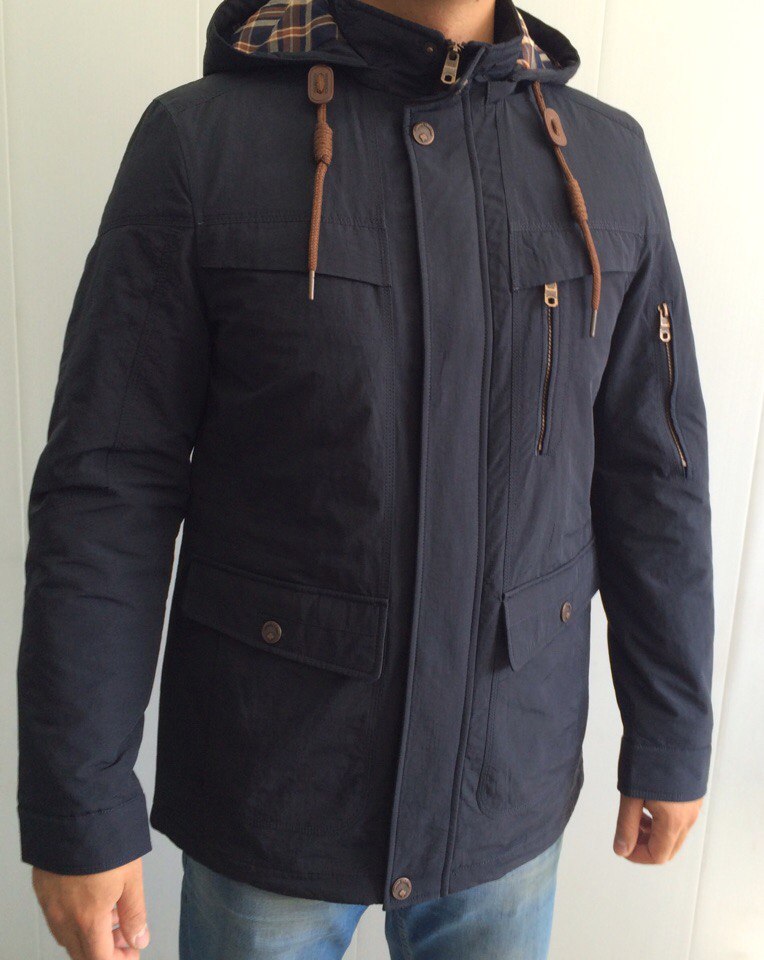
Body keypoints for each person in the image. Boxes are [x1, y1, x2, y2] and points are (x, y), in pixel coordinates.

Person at [17, 1, 714, 958]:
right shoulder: (200, 143)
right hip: (275, 790)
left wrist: (671, 728)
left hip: (504, 787)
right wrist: (80, 801)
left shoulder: (607, 159)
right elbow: (107, 488)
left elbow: (657, 469)